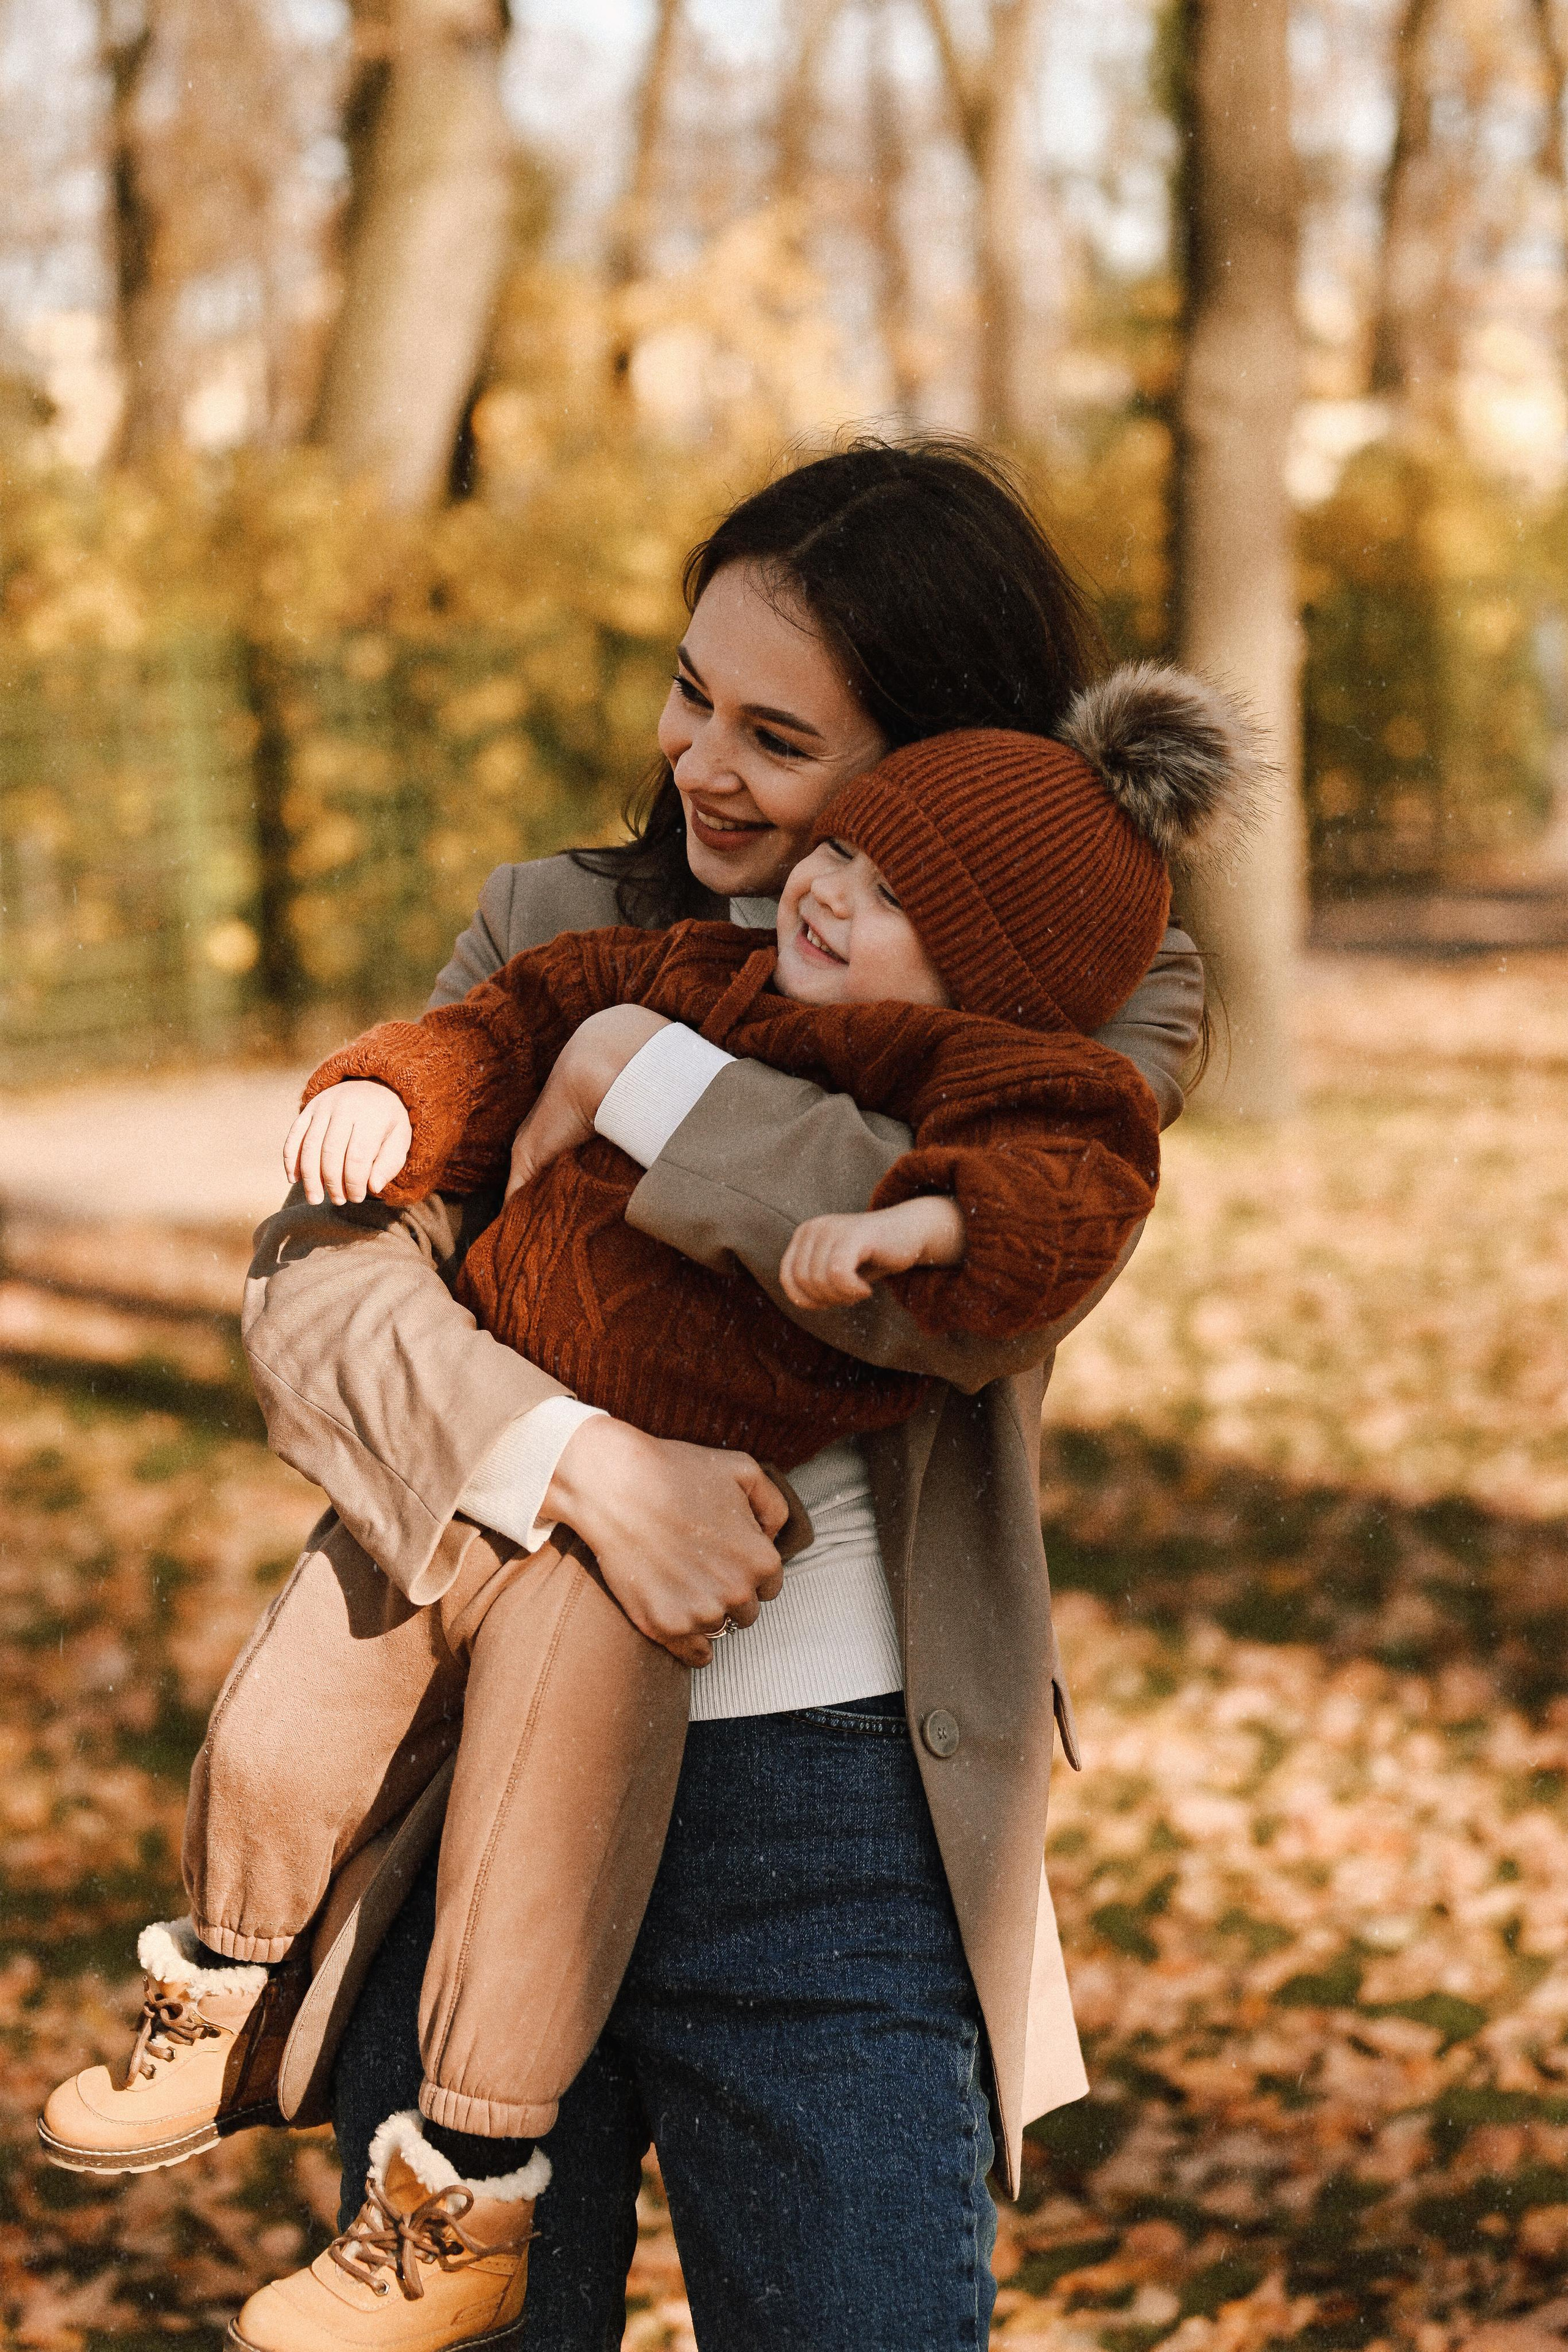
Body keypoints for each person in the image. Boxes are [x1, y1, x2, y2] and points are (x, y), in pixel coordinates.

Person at [56, 440, 1218, 2350]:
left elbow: (949, 1292)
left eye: (782, 733)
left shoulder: (1087, 995)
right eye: (692, 690)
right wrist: (582, 1463)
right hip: (468, 1777)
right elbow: (324, 1291)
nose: (699, 762)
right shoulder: (554, 921)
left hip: (837, 1819)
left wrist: (625, 1075)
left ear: (941, 782)